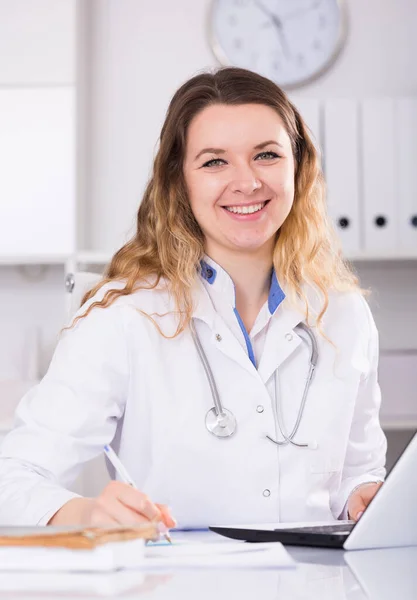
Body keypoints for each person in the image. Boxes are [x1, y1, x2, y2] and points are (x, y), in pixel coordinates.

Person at [0, 67, 386, 530]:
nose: (246, 182)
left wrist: (365, 495)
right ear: (179, 180)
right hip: (175, 583)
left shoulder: (343, 313)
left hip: (319, 583)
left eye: (266, 155)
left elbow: (358, 473)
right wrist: (87, 512)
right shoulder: (126, 315)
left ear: (298, 168)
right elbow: (15, 478)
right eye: (214, 162)